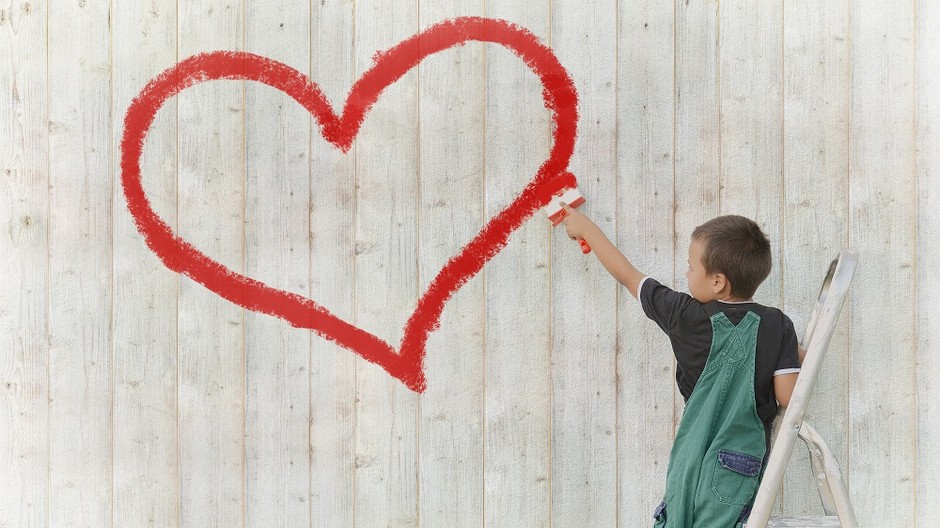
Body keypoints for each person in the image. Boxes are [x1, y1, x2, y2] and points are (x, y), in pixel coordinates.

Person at [559, 204, 802, 527]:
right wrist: (789, 352)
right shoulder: (777, 326)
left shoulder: (684, 315)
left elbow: (629, 276)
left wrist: (586, 229)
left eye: (691, 267)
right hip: (739, 464)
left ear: (717, 282)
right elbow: (787, 396)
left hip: (690, 457)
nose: (687, 274)